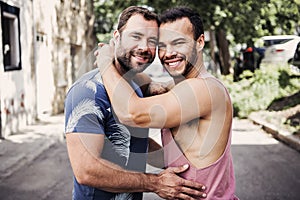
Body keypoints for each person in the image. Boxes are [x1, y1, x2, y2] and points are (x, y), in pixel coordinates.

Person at [65, 6, 207, 200]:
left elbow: (136, 142)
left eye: (152, 41)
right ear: (116, 37)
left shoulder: (135, 86)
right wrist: (155, 183)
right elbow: (86, 170)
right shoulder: (87, 91)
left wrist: (185, 166)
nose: (143, 47)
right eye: (136, 36)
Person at [97, 6, 238, 200]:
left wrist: (105, 63)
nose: (168, 53)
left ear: (200, 42)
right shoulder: (180, 88)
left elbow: (132, 114)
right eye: (162, 45)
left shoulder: (204, 89)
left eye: (178, 43)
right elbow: (168, 158)